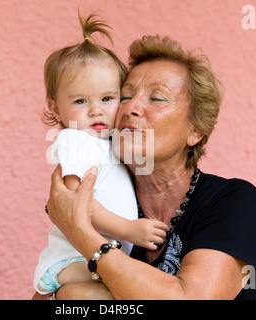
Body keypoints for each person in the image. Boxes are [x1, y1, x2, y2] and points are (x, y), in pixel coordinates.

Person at [35, 33, 256, 300]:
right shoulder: (108, 194)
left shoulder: (233, 201)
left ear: (196, 129)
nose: (132, 107)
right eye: (124, 96)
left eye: (157, 98)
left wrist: (80, 230)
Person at [33, 13, 168, 296]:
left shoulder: (109, 143)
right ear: (56, 108)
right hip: (75, 260)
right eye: (81, 101)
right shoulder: (75, 140)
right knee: (132, 289)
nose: (96, 110)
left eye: (107, 98)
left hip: (97, 256)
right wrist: (129, 230)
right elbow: (76, 204)